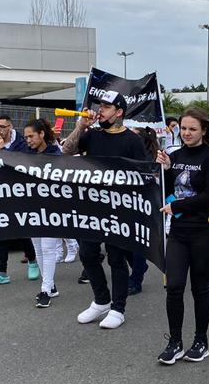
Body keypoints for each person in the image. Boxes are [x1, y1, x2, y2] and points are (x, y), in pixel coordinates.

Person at [61, 91, 147, 329]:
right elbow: (66, 151)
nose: (100, 110)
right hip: (92, 206)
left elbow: (142, 175)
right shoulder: (92, 134)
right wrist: (81, 126)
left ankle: (118, 308)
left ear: (119, 112)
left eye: (106, 107)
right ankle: (101, 300)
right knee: (87, 253)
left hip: (119, 208)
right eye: (100, 105)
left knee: (117, 258)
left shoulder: (132, 140)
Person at [156, 108, 209, 363]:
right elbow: (169, 190)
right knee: (173, 287)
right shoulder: (174, 156)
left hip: (204, 232)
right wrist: (165, 169)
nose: (186, 133)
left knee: (199, 289)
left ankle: (201, 340)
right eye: (183, 128)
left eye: (192, 129)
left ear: (204, 130)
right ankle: (175, 341)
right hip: (177, 232)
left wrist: (178, 207)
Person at [0, 114, 39, 286]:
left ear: (10, 127)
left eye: (2, 127)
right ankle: (1, 273)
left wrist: (2, 150)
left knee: (21, 229)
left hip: (18, 191)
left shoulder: (22, 142)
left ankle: (32, 261)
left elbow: (20, 164)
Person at [23, 118, 68, 308]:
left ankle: (46, 289)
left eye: (31, 136)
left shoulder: (56, 155)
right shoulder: (26, 154)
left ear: (41, 134)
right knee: (39, 249)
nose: (28, 140)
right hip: (34, 207)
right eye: (25, 137)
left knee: (49, 248)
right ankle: (49, 286)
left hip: (52, 208)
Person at [128, 127, 160, 295]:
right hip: (126, 204)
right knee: (124, 243)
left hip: (143, 206)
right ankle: (138, 267)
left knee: (137, 245)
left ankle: (136, 280)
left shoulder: (148, 159)